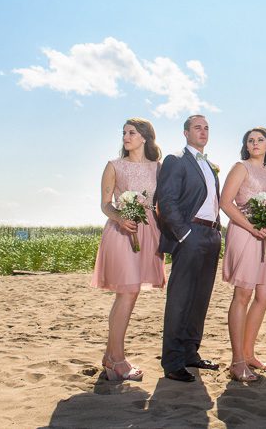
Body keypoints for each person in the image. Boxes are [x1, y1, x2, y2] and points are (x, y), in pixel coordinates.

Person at [91, 118, 166, 381]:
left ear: (145, 137)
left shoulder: (159, 167)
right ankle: (118, 359)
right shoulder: (114, 166)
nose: (126, 136)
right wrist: (120, 218)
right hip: (121, 231)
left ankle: (110, 357)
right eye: (123, 132)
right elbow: (105, 204)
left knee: (128, 295)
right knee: (128, 292)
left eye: (132, 132)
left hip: (148, 233)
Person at [155, 115, 222, 383]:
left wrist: (217, 231)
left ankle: (190, 353)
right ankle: (172, 361)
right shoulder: (176, 160)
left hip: (212, 235)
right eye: (197, 127)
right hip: (191, 234)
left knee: (200, 298)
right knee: (181, 299)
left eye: (207, 127)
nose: (203, 131)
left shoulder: (210, 164)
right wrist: (184, 234)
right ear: (185, 133)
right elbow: (166, 200)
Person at [220, 127, 266, 382]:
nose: (255, 143)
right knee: (243, 294)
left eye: (260, 140)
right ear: (246, 146)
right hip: (245, 233)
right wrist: (251, 226)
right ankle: (237, 361)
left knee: (265, 293)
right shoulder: (240, 167)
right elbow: (226, 203)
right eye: (250, 140)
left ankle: (249, 353)